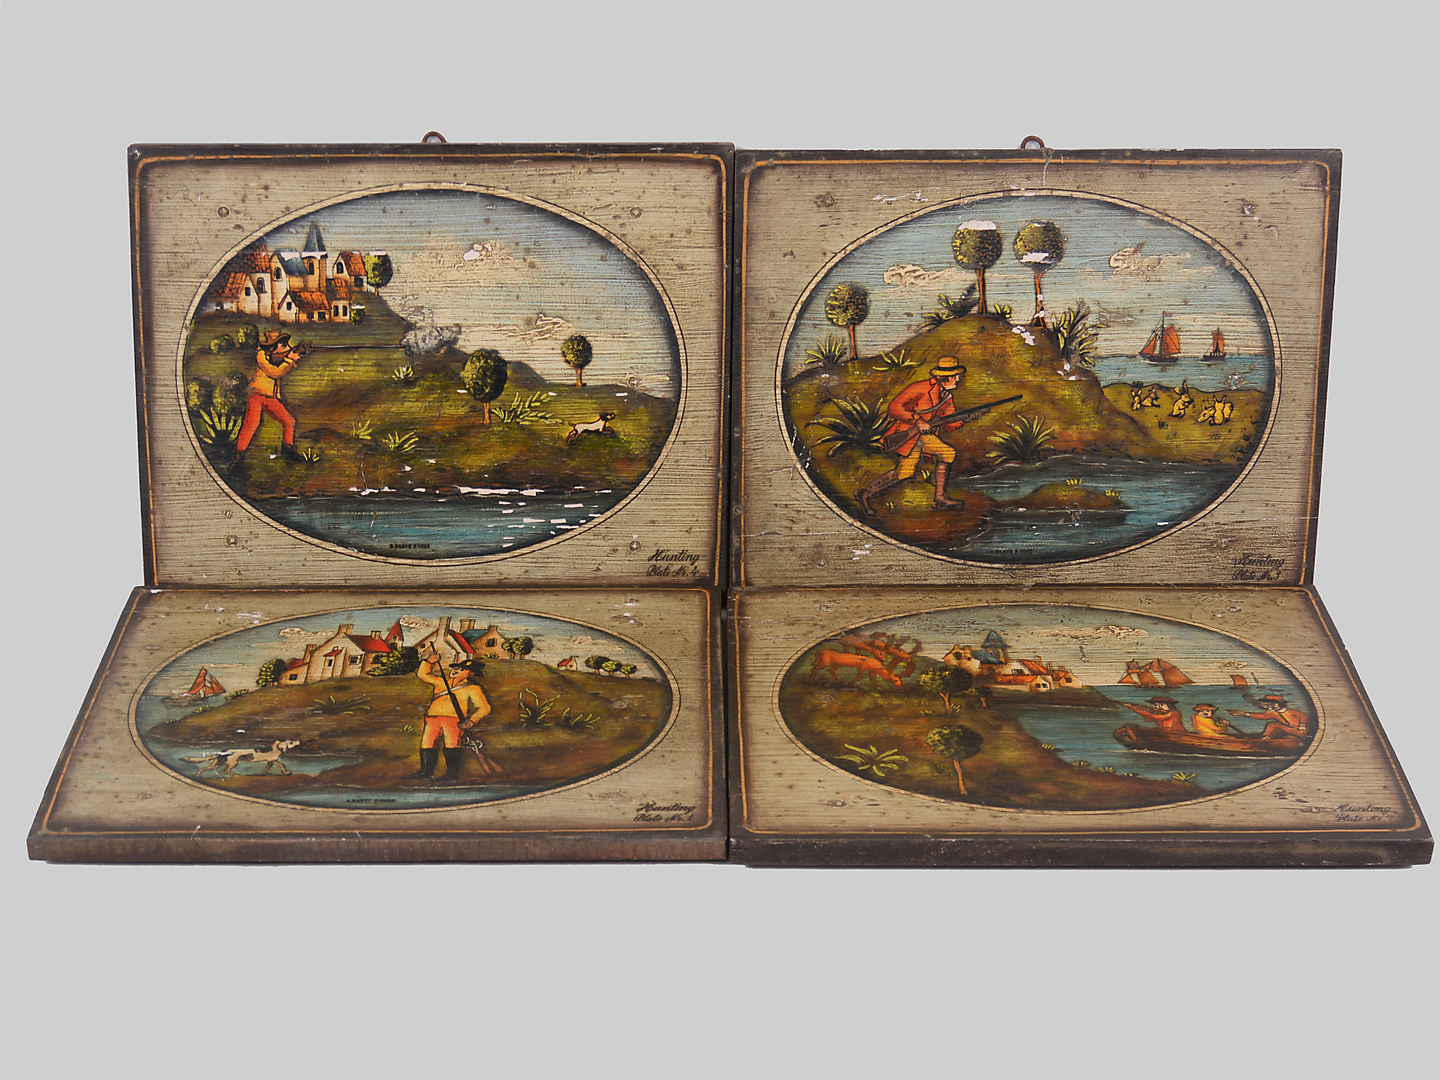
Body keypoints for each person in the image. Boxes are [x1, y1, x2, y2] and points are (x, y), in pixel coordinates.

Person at [858, 356, 968, 514]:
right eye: (955, 376)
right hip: (908, 433)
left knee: (948, 453)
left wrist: (963, 419)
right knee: (905, 473)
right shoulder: (920, 388)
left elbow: (948, 424)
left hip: (924, 436)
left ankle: (940, 498)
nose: (958, 379)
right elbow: (894, 407)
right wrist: (917, 420)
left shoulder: (947, 396)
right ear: (945, 377)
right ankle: (866, 494)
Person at [413, 648, 492, 781]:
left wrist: (471, 721)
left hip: (454, 720)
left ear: (470, 673)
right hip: (433, 718)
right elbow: (423, 675)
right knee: (427, 744)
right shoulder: (442, 682)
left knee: (452, 745)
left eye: (461, 669)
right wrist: (429, 662)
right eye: (456, 668)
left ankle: (452, 775)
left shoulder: (473, 688)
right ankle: (426, 772)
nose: (455, 670)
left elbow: (484, 707)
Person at [232, 330, 306, 470]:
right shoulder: (261, 356)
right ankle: (237, 460)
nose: (288, 348)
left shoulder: (275, 357)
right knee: (251, 425)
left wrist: (291, 358)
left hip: (271, 397)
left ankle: (288, 452)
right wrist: (290, 360)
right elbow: (274, 372)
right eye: (283, 346)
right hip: (257, 395)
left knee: (289, 421)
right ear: (272, 348)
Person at [1230, 694, 1311, 740]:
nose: (1268, 705)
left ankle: (1267, 738)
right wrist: (1244, 714)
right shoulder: (1272, 713)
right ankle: (1266, 738)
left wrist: (1302, 725)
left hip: (1299, 731)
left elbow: (1304, 716)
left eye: (1271, 703)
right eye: (1268, 703)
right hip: (1289, 730)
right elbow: (1262, 716)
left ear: (1278, 704)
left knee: (1274, 726)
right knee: (1272, 725)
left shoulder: (1290, 711)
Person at [1121, 696, 1187, 732]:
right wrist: (1140, 709)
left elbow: (1155, 717)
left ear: (1169, 706)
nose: (1159, 707)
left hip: (1177, 735)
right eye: (1156, 705)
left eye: (1162, 705)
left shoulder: (1174, 713)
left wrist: (1133, 708)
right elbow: (1148, 719)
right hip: (1163, 733)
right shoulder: (1159, 713)